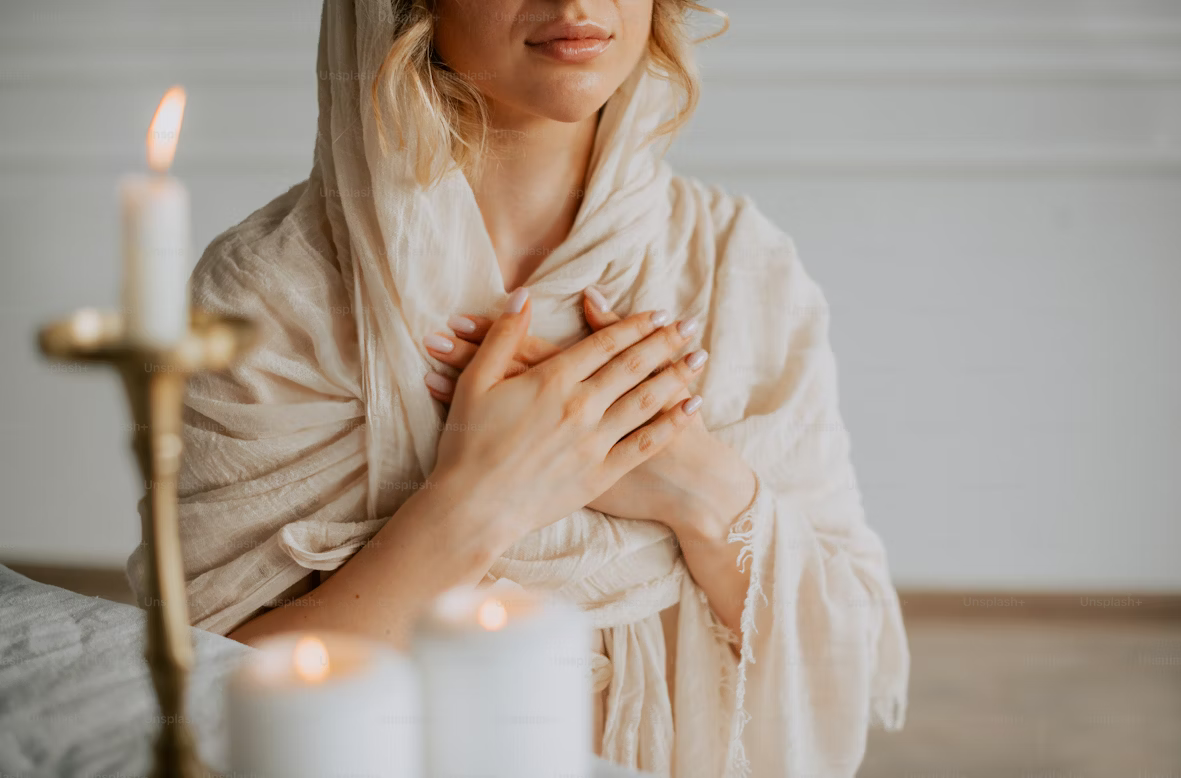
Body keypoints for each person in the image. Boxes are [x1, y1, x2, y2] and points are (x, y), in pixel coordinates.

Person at [128, 1, 910, 774]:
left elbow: (846, 648)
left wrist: (695, 483)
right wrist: (484, 497)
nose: (575, 4)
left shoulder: (736, 265)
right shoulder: (274, 300)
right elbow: (198, 698)